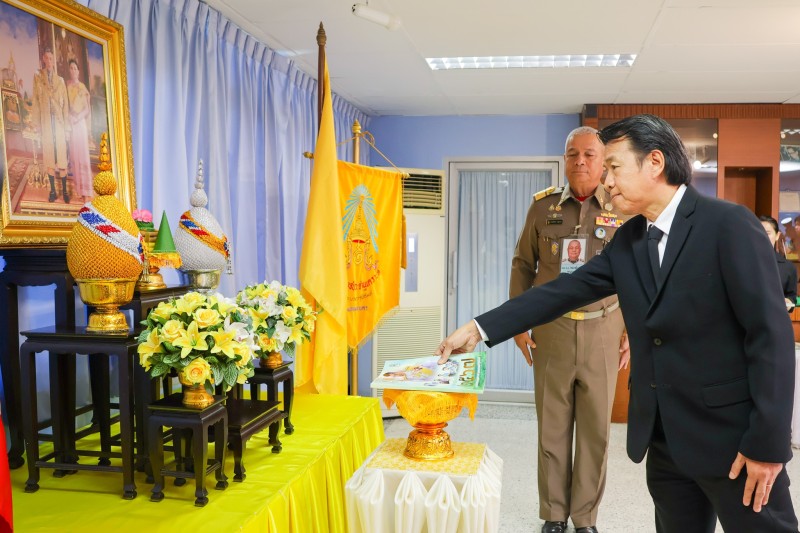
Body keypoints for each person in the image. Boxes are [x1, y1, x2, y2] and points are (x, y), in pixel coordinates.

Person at [437, 114, 798, 532]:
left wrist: (768, 444)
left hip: (733, 442)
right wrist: (479, 328)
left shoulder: (728, 225)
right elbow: (562, 291)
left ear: (655, 162)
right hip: (665, 442)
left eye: (613, 167)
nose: (605, 180)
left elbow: (769, 336)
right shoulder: (630, 240)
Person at [509, 126, 629, 533]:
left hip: (604, 329)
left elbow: (638, 275)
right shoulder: (543, 208)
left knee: (596, 432)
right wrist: (518, 322)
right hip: (553, 330)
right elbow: (522, 265)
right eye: (572, 154)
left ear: (603, 161)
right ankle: (554, 514)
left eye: (589, 154)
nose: (580, 161)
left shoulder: (621, 206)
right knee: (553, 427)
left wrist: (632, 331)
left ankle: (585, 518)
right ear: (564, 159)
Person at [31, 48, 70, 203]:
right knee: (49, 157)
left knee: (61, 158)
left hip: (59, 123)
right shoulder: (38, 77)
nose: (49, 61)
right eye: (46, 58)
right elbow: (35, 100)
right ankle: (53, 191)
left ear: (53, 61)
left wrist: (67, 127)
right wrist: (36, 123)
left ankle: (65, 191)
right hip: (47, 122)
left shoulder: (60, 81)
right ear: (43, 59)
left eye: (51, 58)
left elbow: (65, 106)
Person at [66, 59, 92, 203]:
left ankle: (86, 190)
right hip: (71, 124)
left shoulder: (82, 88)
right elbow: (65, 106)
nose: (73, 70)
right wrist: (69, 117)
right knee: (74, 155)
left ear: (78, 71)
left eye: (75, 68)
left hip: (80, 123)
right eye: (71, 68)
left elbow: (87, 109)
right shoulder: (67, 87)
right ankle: (78, 189)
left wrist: (77, 118)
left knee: (83, 156)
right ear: (69, 70)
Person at [759, 215, 797, 311]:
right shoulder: (742, 262)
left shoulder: (788, 267)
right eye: (758, 232)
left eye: (767, 233)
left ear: (777, 235)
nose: (762, 236)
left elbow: (792, 296)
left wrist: (788, 302)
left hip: (775, 316)